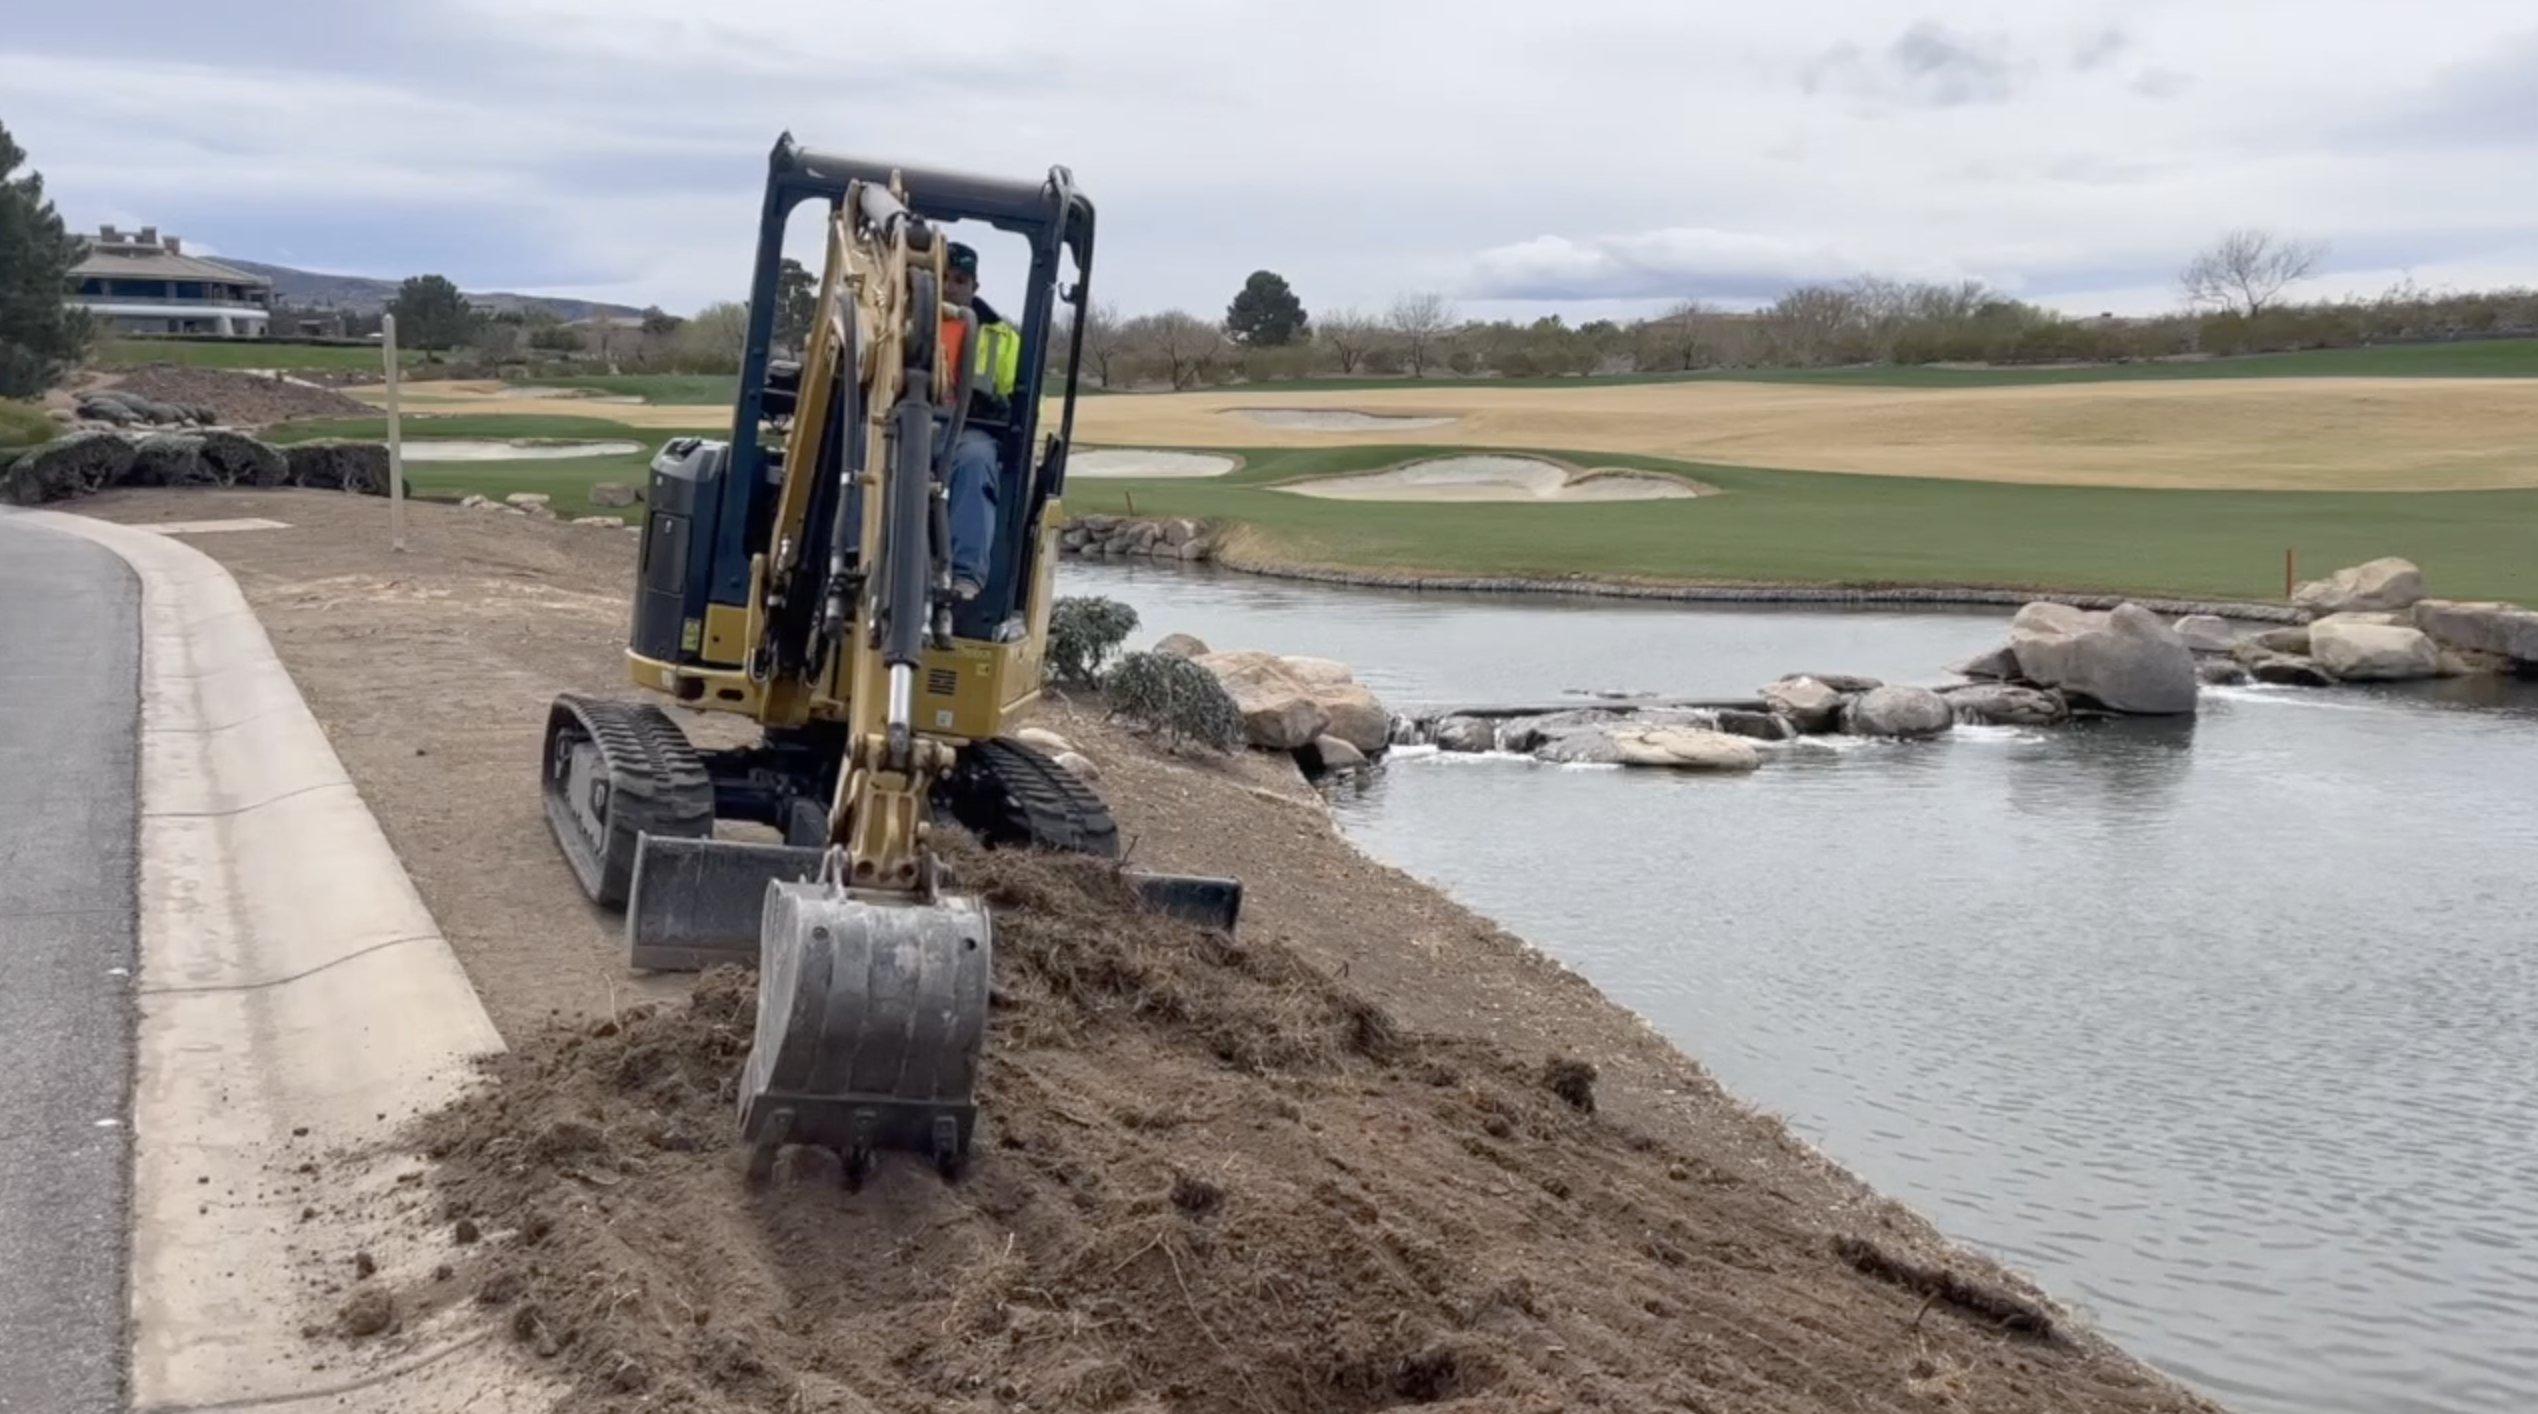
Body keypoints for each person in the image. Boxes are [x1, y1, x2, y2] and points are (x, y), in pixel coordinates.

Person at [934, 240, 1022, 601]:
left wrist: (994, 408)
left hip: (968, 434)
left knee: (976, 459)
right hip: (903, 425)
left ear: (974, 286)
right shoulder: (895, 321)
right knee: (863, 445)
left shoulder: (1004, 340)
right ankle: (855, 558)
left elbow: (1021, 402)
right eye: (943, 278)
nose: (951, 287)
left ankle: (965, 575)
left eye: (960, 279)